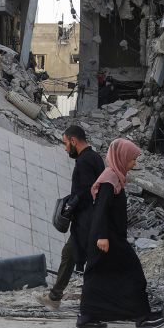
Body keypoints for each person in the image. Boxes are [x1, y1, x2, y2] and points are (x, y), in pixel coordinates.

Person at [76, 138, 164, 328]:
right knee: (134, 273)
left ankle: (87, 317)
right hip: (107, 238)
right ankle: (142, 317)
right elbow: (100, 209)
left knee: (97, 276)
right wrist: (102, 236)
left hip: (109, 237)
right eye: (132, 159)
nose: (134, 163)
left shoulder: (115, 177)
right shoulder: (109, 179)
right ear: (121, 157)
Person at [41, 124, 105, 308]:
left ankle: (92, 301)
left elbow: (86, 192)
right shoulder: (94, 157)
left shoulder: (84, 161)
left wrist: (71, 204)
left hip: (86, 220)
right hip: (90, 219)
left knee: (84, 258)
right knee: (70, 254)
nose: (65, 148)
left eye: (66, 143)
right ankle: (55, 297)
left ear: (74, 141)